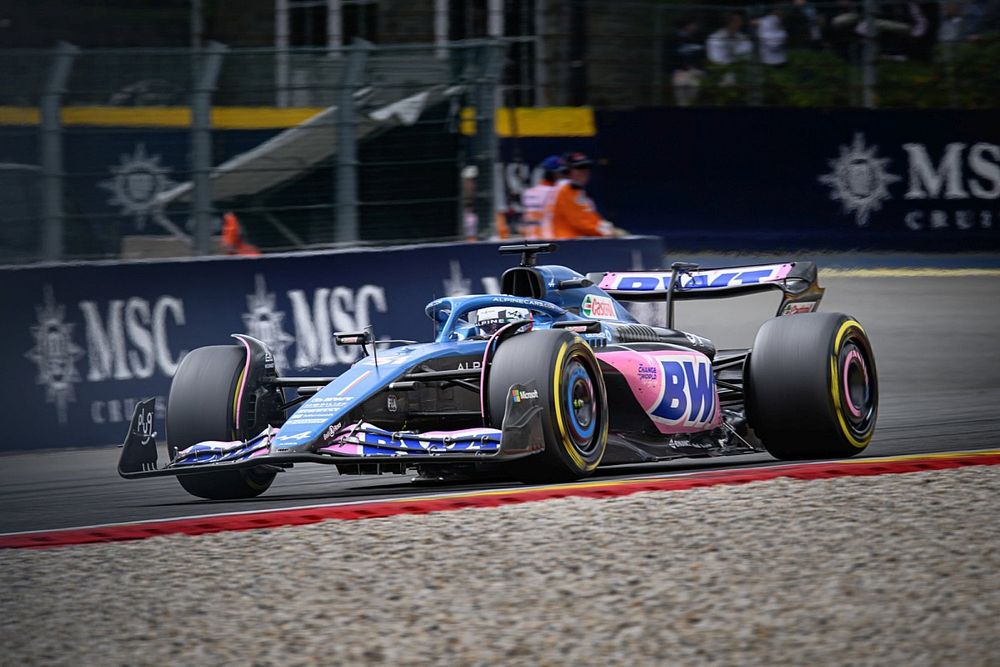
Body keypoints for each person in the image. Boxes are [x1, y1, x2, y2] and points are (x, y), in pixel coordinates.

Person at [542, 152, 616, 239]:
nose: (584, 172)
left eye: (586, 168)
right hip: (565, 245)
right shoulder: (565, 190)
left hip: (574, 244)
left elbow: (590, 218)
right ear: (567, 171)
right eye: (579, 168)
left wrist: (608, 228)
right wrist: (609, 232)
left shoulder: (576, 191)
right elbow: (582, 223)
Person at [520, 155, 564, 239]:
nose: (562, 176)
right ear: (554, 174)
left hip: (529, 241)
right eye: (560, 172)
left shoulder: (528, 192)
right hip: (548, 241)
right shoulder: (558, 192)